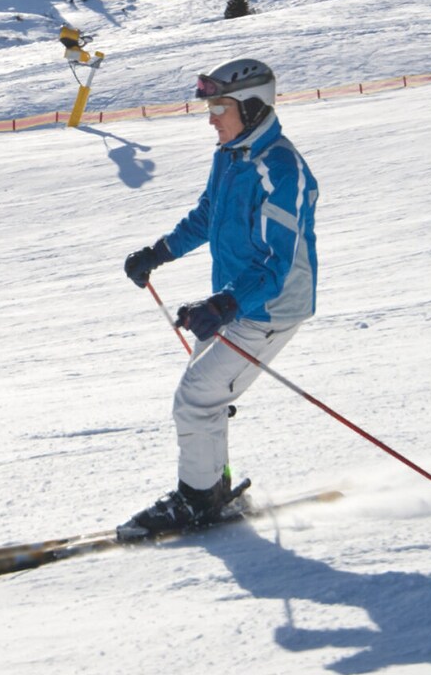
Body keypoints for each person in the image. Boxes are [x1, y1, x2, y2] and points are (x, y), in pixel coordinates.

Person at [117, 57, 319, 537]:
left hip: (270, 307)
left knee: (196, 397)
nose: (210, 118)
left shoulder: (281, 169)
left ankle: (197, 502)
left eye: (219, 107)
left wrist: (225, 305)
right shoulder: (230, 157)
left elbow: (277, 264)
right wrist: (158, 253)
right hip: (236, 299)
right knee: (203, 393)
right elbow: (209, 215)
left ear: (252, 108)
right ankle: (215, 485)